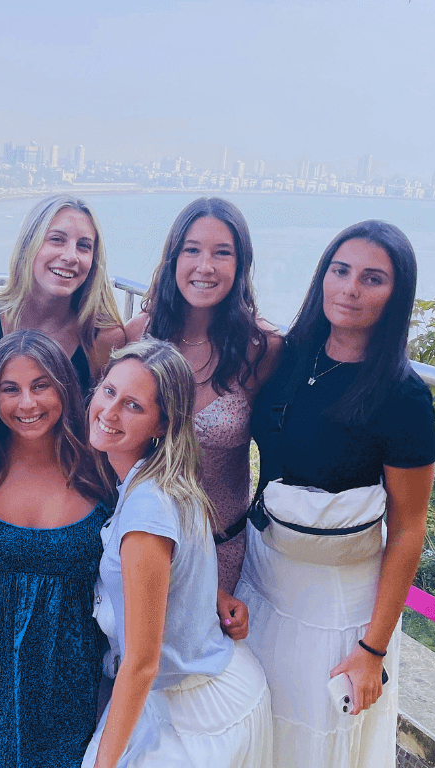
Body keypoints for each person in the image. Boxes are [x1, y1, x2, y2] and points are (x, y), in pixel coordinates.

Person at [236, 220, 435, 766]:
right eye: (340, 270)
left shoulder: (402, 396)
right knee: (254, 729)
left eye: (372, 279)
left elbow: (409, 528)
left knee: (315, 742)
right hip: (260, 575)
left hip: (337, 602)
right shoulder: (286, 356)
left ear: (396, 295)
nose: (350, 289)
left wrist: (372, 649)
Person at [83, 339, 272, 768]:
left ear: (161, 425)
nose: (109, 412)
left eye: (133, 406)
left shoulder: (146, 511)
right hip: (212, 684)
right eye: (109, 391)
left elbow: (141, 663)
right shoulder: (168, 480)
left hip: (192, 714)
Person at [0, 330, 112, 768]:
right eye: (10, 389)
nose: (27, 403)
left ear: (65, 388)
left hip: (68, 682)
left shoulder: (102, 469)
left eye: (41, 385)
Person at [124, 197, 282, 638]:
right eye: (192, 250)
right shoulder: (140, 336)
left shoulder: (262, 348)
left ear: (240, 264)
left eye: (222, 252)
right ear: (173, 258)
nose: (205, 266)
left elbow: (283, 447)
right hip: (140, 541)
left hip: (221, 550)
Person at [0, 194, 126, 423]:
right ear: (29, 245)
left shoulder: (102, 338)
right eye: (57, 240)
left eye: (83, 246)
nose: (70, 256)